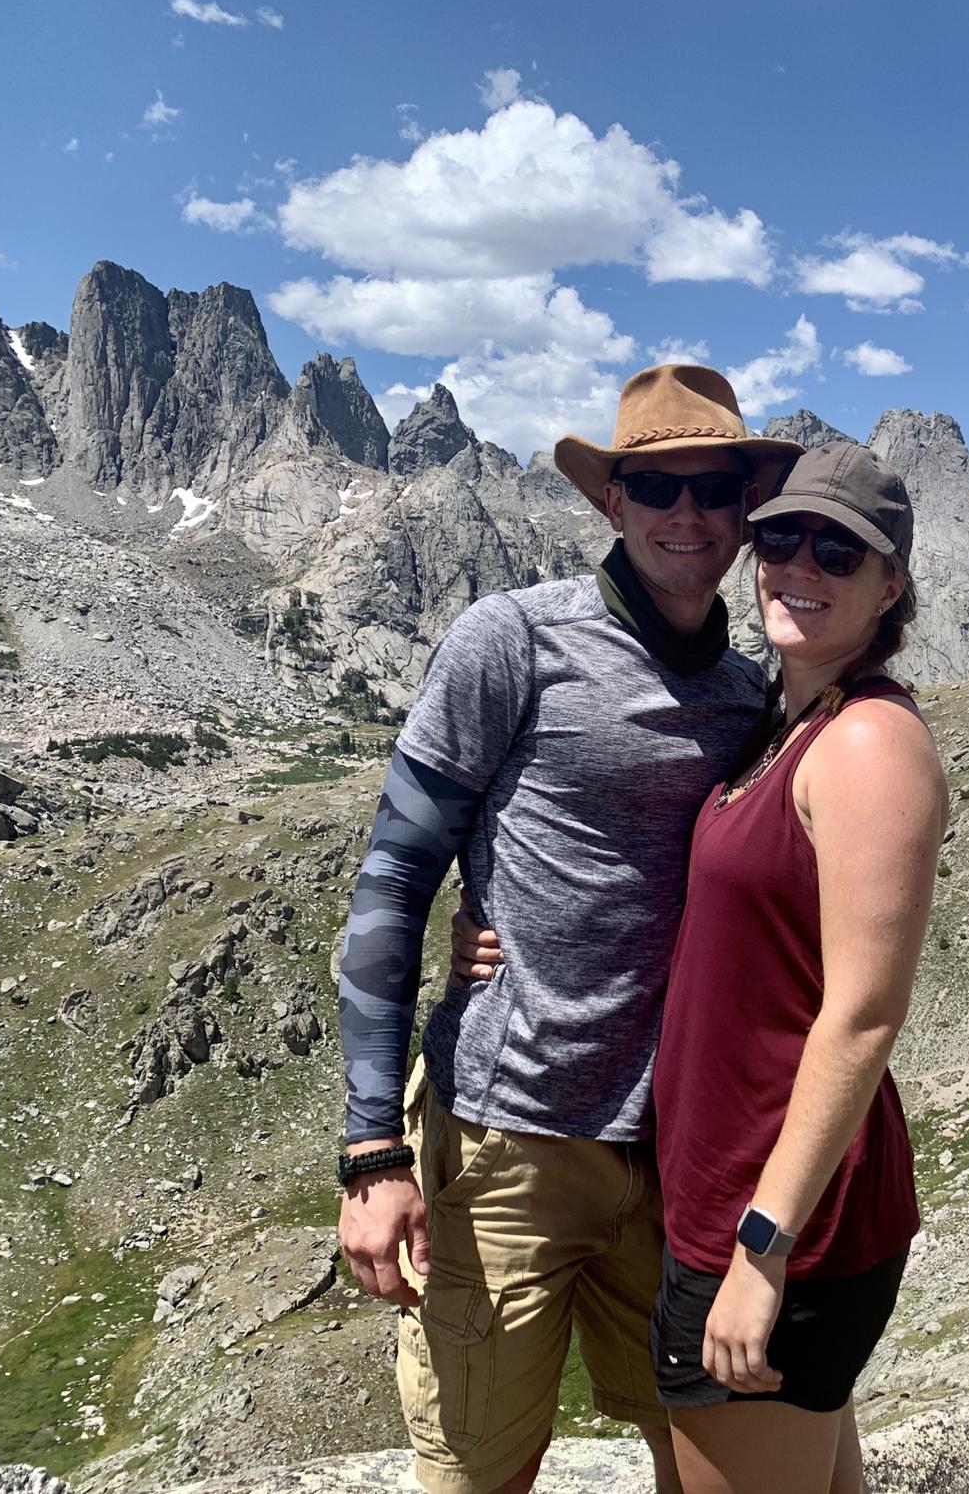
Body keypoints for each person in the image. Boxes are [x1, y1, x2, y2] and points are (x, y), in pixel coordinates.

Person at [334, 363, 805, 1494]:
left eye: (714, 488)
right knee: (478, 1468)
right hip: (511, 1142)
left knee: (707, 1456)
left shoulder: (757, 696)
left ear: (746, 509)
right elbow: (395, 879)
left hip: (683, 1154)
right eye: (656, 489)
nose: (686, 515)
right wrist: (369, 1152)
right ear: (613, 502)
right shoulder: (510, 641)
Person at [454, 443, 948, 1494]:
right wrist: (490, 918)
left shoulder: (864, 743)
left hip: (776, 1222)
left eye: (837, 550)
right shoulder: (781, 726)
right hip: (735, 1195)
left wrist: (759, 1254)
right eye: (779, 539)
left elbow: (862, 1018)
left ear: (889, 582)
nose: (797, 565)